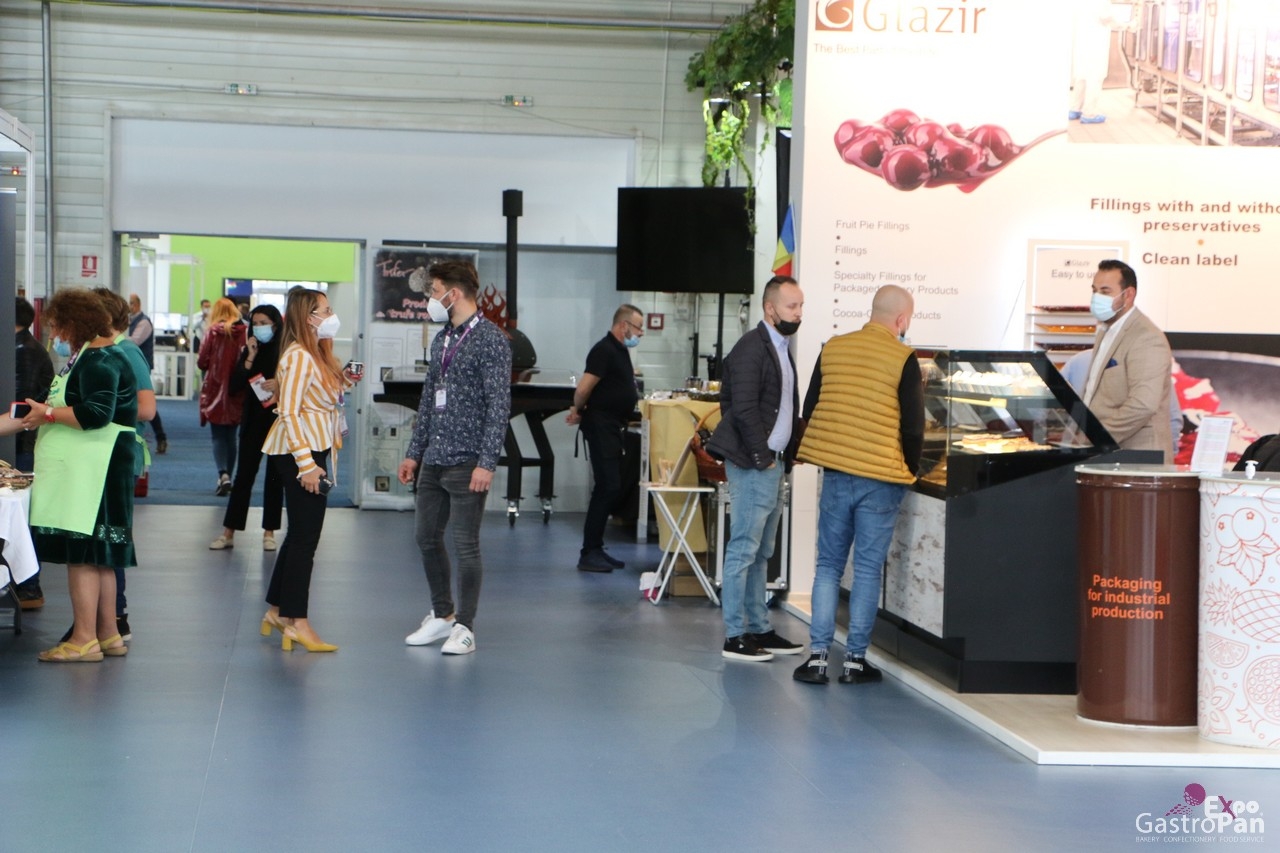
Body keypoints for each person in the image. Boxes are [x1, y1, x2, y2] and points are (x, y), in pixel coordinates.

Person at [793, 285, 924, 686]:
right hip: (881, 479)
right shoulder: (903, 357)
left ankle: (817, 658)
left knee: (828, 566)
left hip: (836, 474)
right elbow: (913, 426)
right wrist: (911, 469)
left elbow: (810, 407)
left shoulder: (834, 348)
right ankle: (854, 662)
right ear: (901, 319)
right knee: (866, 570)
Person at [4, 288, 138, 662]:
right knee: (99, 555)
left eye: (57, 327)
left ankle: (83, 639)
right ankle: (107, 634)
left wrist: (47, 414)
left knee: (82, 555)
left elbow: (95, 413)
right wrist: (41, 413)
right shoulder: (94, 357)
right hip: (94, 469)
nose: (55, 336)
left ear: (73, 323)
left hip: (91, 472)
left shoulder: (99, 360)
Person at [399, 261, 511, 655]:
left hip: (468, 461)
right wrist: (414, 453)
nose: (430, 299)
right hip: (435, 457)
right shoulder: (443, 339)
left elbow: (499, 406)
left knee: (466, 545)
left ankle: (466, 626)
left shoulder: (492, 341)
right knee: (426, 538)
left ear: (454, 293)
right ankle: (442, 614)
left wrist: (487, 462)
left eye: (433, 291)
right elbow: (429, 398)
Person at [705, 275, 806, 662]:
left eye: (800, 306)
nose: (798, 313)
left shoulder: (780, 347)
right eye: (792, 306)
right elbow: (741, 407)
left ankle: (759, 628)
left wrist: (784, 455)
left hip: (772, 463)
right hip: (754, 464)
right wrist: (762, 456)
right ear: (769, 308)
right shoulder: (751, 348)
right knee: (743, 550)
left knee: (762, 550)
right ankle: (735, 636)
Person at [259, 288, 360, 653]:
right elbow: (288, 412)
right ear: (308, 317)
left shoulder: (315, 352)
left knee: (300, 533)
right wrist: (307, 466)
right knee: (306, 539)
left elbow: (318, 397)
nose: (332, 316)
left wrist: (344, 379)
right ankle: (297, 621)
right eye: (326, 310)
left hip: (312, 447)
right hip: (300, 452)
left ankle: (277, 610)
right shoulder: (299, 355)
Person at [91, 287, 159, 643]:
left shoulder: (127, 351)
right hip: (101, 455)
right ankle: (108, 618)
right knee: (101, 539)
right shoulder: (100, 351)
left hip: (117, 455)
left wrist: (95, 411)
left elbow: (146, 409)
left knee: (110, 537)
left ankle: (116, 616)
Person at [565, 303, 642, 572]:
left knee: (610, 486)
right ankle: (589, 552)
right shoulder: (604, 350)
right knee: (607, 486)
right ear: (624, 325)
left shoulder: (619, 351)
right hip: (601, 427)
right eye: (638, 328)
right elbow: (583, 388)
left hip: (612, 426)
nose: (640, 333)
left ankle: (596, 547)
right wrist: (577, 409)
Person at [1080, 259, 1174, 461]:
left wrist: (1097, 438)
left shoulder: (1146, 337)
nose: (1096, 298)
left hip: (1136, 459)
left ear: (1128, 294)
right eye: (1094, 290)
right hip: (1106, 456)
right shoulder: (1106, 330)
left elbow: (1142, 405)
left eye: (1105, 291)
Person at [209, 304, 285, 551]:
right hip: (252, 420)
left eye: (264, 323)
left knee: (274, 478)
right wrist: (249, 357)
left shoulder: (286, 351)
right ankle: (229, 532)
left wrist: (280, 385)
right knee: (243, 476)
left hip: (278, 422)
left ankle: (269, 532)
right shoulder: (250, 350)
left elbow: (298, 385)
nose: (259, 328)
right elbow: (234, 386)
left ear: (276, 324)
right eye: (256, 323)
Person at [12, 297, 55, 610]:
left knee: (22, 518)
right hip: (21, 442)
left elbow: (21, 403)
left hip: (22, 445)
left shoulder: (25, 351)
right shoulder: (24, 347)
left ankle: (29, 586)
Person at [1059, 347, 1181, 446]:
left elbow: (1054, 411)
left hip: (1086, 452)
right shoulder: (1079, 362)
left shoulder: (1079, 361)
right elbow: (1172, 419)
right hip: (1137, 457)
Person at [197, 298, 248, 496]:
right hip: (237, 389)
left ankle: (222, 474)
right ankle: (228, 477)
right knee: (231, 436)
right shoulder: (244, 332)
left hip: (215, 388)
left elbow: (202, 361)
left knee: (217, 435)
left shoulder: (212, 332)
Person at [128, 292, 168, 454]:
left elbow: (133, 341)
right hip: (131, 366)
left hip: (141, 368)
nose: (129, 306)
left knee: (145, 404)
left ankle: (161, 437)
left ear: (138, 305)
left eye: (131, 303)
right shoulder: (130, 321)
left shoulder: (144, 322)